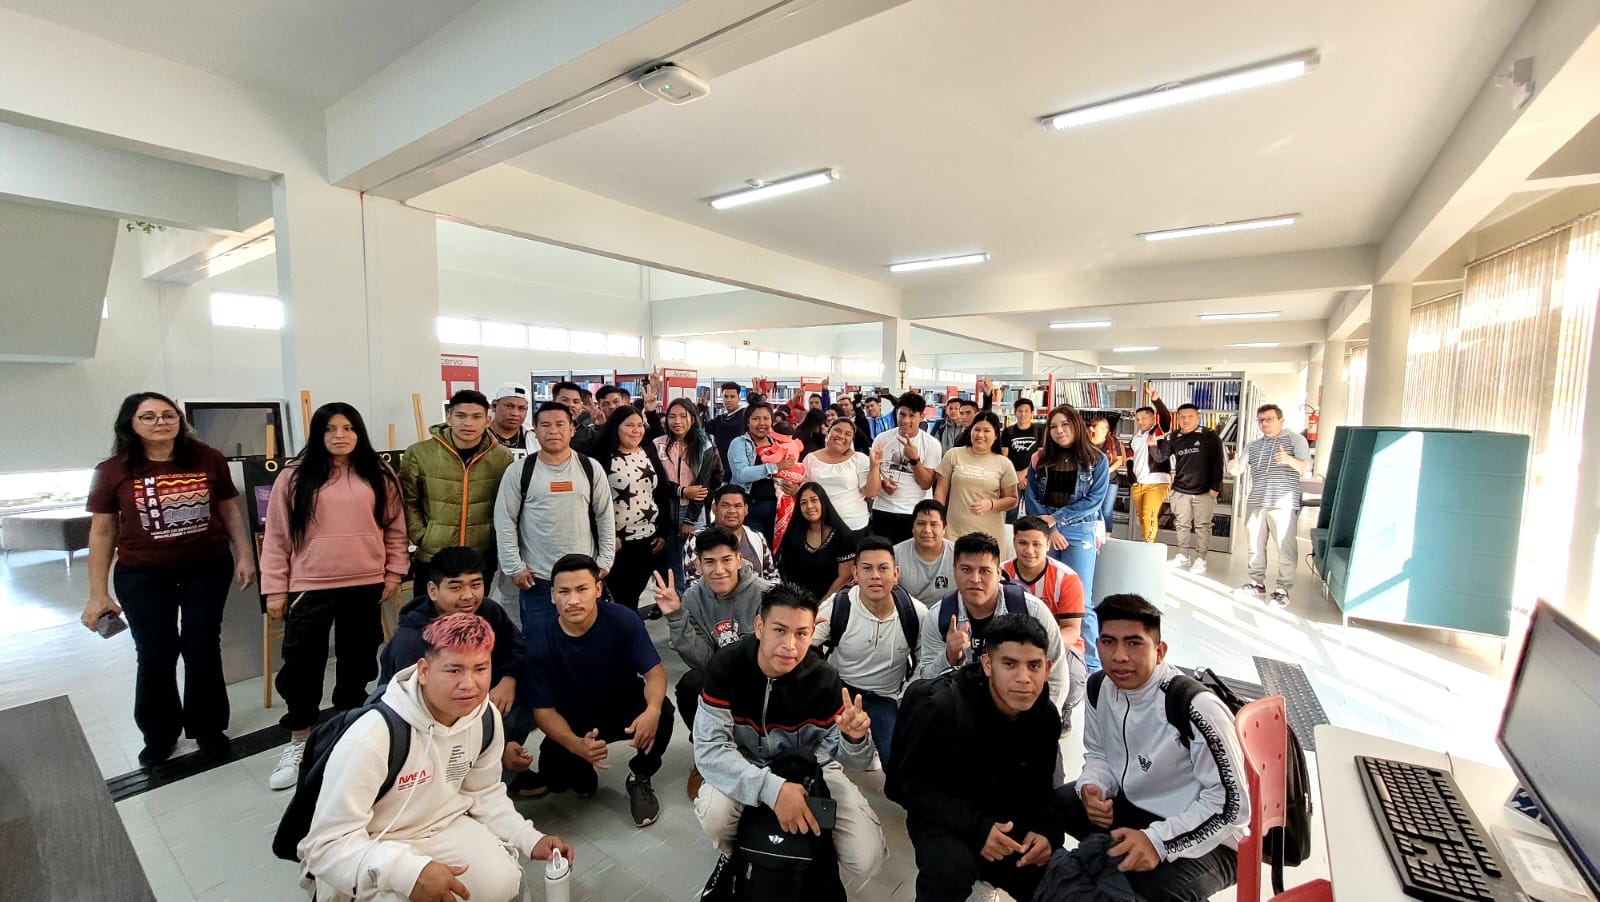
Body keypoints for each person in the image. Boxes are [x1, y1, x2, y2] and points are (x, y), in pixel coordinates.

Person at [297, 613, 573, 902]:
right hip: (372, 843)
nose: (469, 684)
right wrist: (407, 872)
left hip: (442, 824)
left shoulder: (484, 717)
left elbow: (485, 793)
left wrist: (530, 838)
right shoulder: (373, 736)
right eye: (454, 670)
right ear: (424, 670)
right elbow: (326, 846)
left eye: (480, 668)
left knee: (503, 881)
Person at [81, 392, 254, 765]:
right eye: (149, 416)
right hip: (142, 574)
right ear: (131, 424)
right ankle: (159, 735)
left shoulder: (208, 458)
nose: (161, 421)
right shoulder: (112, 470)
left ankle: (208, 729)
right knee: (155, 652)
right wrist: (97, 593)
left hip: (206, 568)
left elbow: (228, 510)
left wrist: (244, 554)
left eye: (168, 414)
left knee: (202, 645)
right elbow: (102, 532)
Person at [1056, 594, 1249, 900]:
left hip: (1216, 837)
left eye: (1134, 643)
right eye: (1109, 642)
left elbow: (1232, 805)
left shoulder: (1194, 706)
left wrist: (1157, 842)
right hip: (1142, 807)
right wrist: (1094, 786)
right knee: (1061, 803)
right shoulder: (1098, 687)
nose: (1119, 656)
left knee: (1153, 887)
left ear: (1160, 651)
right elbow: (1100, 753)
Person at [691, 582, 886, 881]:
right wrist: (774, 790)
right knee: (715, 816)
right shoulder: (726, 666)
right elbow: (709, 750)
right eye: (779, 630)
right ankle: (736, 857)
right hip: (745, 761)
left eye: (801, 633)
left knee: (867, 858)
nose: (790, 645)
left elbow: (854, 762)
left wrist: (854, 738)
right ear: (759, 627)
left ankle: (806, 861)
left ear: (812, 633)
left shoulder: (825, 680)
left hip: (811, 766)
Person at [262, 402, 409, 790]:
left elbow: (396, 529)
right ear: (318, 434)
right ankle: (299, 741)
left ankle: (348, 735)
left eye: (348, 428)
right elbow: (277, 536)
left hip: (365, 582)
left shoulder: (378, 474)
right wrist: (275, 588)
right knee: (301, 666)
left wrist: (394, 572)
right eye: (330, 429)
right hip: (309, 585)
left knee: (357, 663)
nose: (340, 435)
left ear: (358, 432)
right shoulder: (294, 476)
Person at [887, 614, 1062, 902]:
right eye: (1009, 664)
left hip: (1005, 816)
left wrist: (1047, 832)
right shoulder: (944, 708)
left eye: (1034, 666)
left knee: (1059, 876)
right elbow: (912, 787)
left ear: (1047, 668)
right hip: (944, 815)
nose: (1024, 678)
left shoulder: (1045, 716)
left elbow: (1041, 787)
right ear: (987, 664)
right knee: (949, 872)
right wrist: (978, 830)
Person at [377, 547, 538, 796]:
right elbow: (420, 710)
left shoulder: (488, 610)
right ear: (433, 590)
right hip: (425, 723)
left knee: (531, 685)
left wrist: (508, 680)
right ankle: (459, 787)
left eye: (476, 584)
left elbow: (516, 648)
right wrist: (489, 740)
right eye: (455, 587)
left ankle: (500, 773)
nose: (468, 596)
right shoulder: (412, 641)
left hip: (474, 700)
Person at [527, 555, 672, 827]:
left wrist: (651, 710)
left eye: (581, 589)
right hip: (575, 721)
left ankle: (640, 776)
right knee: (556, 779)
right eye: (564, 592)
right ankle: (582, 766)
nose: (573, 600)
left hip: (624, 708)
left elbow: (655, 673)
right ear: (552, 595)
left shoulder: (623, 619)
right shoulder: (539, 640)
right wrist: (576, 745)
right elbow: (543, 711)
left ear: (597, 589)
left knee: (663, 712)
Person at [494, 401, 616, 627]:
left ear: (572, 429)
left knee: (584, 635)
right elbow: (504, 520)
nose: (553, 431)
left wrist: (605, 560)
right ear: (535, 430)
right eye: (545, 425)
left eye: (560, 424)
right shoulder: (519, 471)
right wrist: (514, 567)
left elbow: (605, 515)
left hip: (583, 575)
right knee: (540, 638)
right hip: (537, 578)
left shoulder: (590, 467)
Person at [913, 532, 1068, 709]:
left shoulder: (1032, 611)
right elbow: (925, 680)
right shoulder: (939, 616)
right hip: (963, 710)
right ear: (954, 570)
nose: (975, 579)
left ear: (998, 573)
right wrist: (948, 657)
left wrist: (1044, 718)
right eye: (966, 570)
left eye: (984, 571)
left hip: (1019, 709)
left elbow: (1056, 673)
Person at [811, 536, 927, 761]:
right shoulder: (838, 606)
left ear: (896, 573)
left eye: (883, 568)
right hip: (839, 689)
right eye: (867, 568)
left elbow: (926, 661)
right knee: (819, 752)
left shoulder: (916, 613)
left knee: (898, 760)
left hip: (885, 696)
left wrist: (906, 697)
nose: (875, 576)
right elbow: (803, 646)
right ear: (855, 574)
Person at [399, 389, 514, 596]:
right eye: (461, 416)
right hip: (434, 554)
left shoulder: (502, 457)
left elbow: (506, 505)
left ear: (487, 421)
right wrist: (422, 537)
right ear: (449, 417)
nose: (468, 423)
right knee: (429, 611)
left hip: (480, 554)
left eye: (476, 417)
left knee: (473, 612)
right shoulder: (419, 453)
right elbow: (408, 500)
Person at [1025, 404, 1110, 670]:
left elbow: (1094, 501)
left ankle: (1091, 667)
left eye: (1065, 425)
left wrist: (1058, 520)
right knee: (1043, 595)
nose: (1059, 431)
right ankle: (1047, 656)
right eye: (1053, 426)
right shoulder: (1039, 458)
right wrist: (1050, 530)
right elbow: (1031, 499)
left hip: (1080, 530)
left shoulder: (1097, 459)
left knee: (1081, 599)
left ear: (1077, 426)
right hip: (1045, 532)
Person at [1003, 516, 1088, 727]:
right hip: (1009, 643)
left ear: (1048, 545)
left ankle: (1063, 709)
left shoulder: (1067, 578)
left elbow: (1072, 630)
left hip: (1056, 643)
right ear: (1014, 542)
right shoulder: (1000, 573)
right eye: (1023, 543)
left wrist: (1041, 647)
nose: (1029, 550)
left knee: (1073, 678)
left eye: (1036, 544)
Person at [594, 405, 674, 612]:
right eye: (629, 425)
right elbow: (594, 503)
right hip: (618, 543)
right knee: (621, 598)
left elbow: (661, 493)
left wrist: (662, 532)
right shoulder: (602, 456)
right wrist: (609, 536)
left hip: (648, 540)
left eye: (640, 425)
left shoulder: (648, 452)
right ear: (616, 427)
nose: (636, 430)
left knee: (635, 594)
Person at [1231, 404, 1310, 607]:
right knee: (1254, 545)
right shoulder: (1253, 445)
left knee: (1285, 547)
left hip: (1282, 503)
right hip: (1256, 501)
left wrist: (1288, 459)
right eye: (1261, 420)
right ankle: (1256, 583)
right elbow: (1238, 470)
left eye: (1269, 419)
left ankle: (1283, 589)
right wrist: (1233, 467)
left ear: (1280, 420)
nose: (1264, 423)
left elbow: (1305, 466)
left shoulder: (1295, 439)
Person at [1149, 403, 1226, 574]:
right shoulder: (1173, 437)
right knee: (1181, 524)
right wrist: (1153, 446)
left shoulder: (1209, 435)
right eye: (1182, 416)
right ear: (1178, 418)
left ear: (1198, 417)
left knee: (1203, 526)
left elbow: (1218, 462)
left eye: (1190, 416)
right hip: (1180, 490)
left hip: (1204, 491)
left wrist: (1216, 487)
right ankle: (1183, 555)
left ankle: (1200, 559)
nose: (1186, 420)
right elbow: (1161, 457)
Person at [655, 397, 723, 588]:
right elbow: (657, 481)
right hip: (664, 511)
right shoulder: (659, 443)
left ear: (692, 419)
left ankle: (696, 601)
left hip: (693, 511)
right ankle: (678, 600)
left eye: (683, 416)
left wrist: (690, 520)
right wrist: (681, 490)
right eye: (672, 416)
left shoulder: (704, 446)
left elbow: (703, 486)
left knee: (696, 563)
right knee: (673, 563)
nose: (677, 421)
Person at [934, 410, 1020, 558]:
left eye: (986, 430)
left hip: (989, 537)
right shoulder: (953, 455)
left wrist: (991, 504)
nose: (980, 435)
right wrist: (938, 520)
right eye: (977, 429)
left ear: (996, 435)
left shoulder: (1003, 463)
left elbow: (1012, 499)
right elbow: (940, 491)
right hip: (954, 533)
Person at [869, 392, 943, 543]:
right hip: (883, 509)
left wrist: (914, 460)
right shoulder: (882, 439)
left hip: (914, 511)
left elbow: (926, 484)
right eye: (902, 414)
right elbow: (874, 470)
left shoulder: (931, 444)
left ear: (922, 417)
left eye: (912, 416)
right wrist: (882, 481)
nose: (905, 420)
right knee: (883, 554)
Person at [682, 485, 779, 588]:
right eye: (725, 506)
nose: (732, 511)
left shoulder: (757, 537)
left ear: (745, 509)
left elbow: (772, 577)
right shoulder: (697, 538)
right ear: (714, 508)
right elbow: (693, 583)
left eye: (737, 506)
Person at [777, 482, 859, 603]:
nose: (809, 506)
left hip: (831, 602)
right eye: (803, 503)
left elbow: (845, 576)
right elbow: (786, 573)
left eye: (814, 500)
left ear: (823, 502)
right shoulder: (793, 534)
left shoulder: (843, 535)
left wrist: (821, 606)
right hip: (797, 602)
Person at [727, 402, 793, 544]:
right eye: (756, 419)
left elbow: (790, 471)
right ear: (748, 422)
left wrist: (794, 487)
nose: (761, 423)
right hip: (751, 509)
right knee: (753, 549)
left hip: (779, 508)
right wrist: (774, 467)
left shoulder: (778, 443)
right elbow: (741, 474)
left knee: (777, 551)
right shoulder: (739, 443)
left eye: (766, 418)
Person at [800, 419, 880, 532]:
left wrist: (875, 466)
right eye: (837, 430)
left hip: (853, 525)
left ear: (852, 440)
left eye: (848, 434)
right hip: (821, 525)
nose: (841, 436)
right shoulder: (810, 458)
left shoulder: (860, 459)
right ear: (828, 433)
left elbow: (871, 493)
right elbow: (804, 492)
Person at [1128, 392, 1174, 543]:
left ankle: (1148, 546)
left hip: (1156, 482)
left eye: (1144, 418)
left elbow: (1166, 416)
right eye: (1138, 419)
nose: (1140, 422)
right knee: (1142, 517)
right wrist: (1132, 480)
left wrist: (1156, 400)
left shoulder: (1159, 430)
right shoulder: (1135, 438)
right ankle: (1146, 542)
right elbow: (1130, 459)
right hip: (1139, 483)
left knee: (1149, 514)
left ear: (1153, 418)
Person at [894, 499, 955, 601]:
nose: (927, 530)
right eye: (921, 523)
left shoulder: (958, 555)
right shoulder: (895, 555)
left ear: (944, 529)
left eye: (934, 524)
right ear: (912, 528)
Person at [999, 396, 1045, 524]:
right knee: (1010, 512)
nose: (1023, 414)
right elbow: (1004, 457)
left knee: (1034, 513)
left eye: (1026, 411)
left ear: (1032, 413)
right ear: (1015, 413)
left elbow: (1040, 455)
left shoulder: (1040, 430)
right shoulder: (1008, 431)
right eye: (1020, 411)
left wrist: (1024, 475)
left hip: (1033, 477)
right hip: (1012, 477)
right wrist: (1015, 476)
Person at [1088, 414, 1126, 530]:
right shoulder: (1085, 443)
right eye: (1101, 428)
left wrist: (1106, 471)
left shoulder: (1113, 442)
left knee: (1106, 511)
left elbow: (1119, 460)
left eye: (1106, 428)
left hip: (1110, 481)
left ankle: (1107, 535)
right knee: (1092, 509)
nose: (1105, 430)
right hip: (1090, 481)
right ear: (1092, 429)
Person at [707, 381, 748, 472]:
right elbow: (701, 426)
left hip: (742, 470)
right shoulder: (720, 420)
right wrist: (701, 407)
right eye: (726, 396)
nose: (728, 400)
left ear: (739, 398)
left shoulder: (745, 416)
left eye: (732, 397)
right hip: (724, 470)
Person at [551, 380, 599, 455]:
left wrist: (600, 426)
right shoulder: (542, 431)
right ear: (553, 402)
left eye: (576, 402)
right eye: (564, 400)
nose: (571, 405)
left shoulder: (587, 434)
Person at [487, 382, 534, 456]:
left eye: (521, 408)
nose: (515, 413)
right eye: (509, 406)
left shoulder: (535, 438)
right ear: (494, 406)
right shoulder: (478, 436)